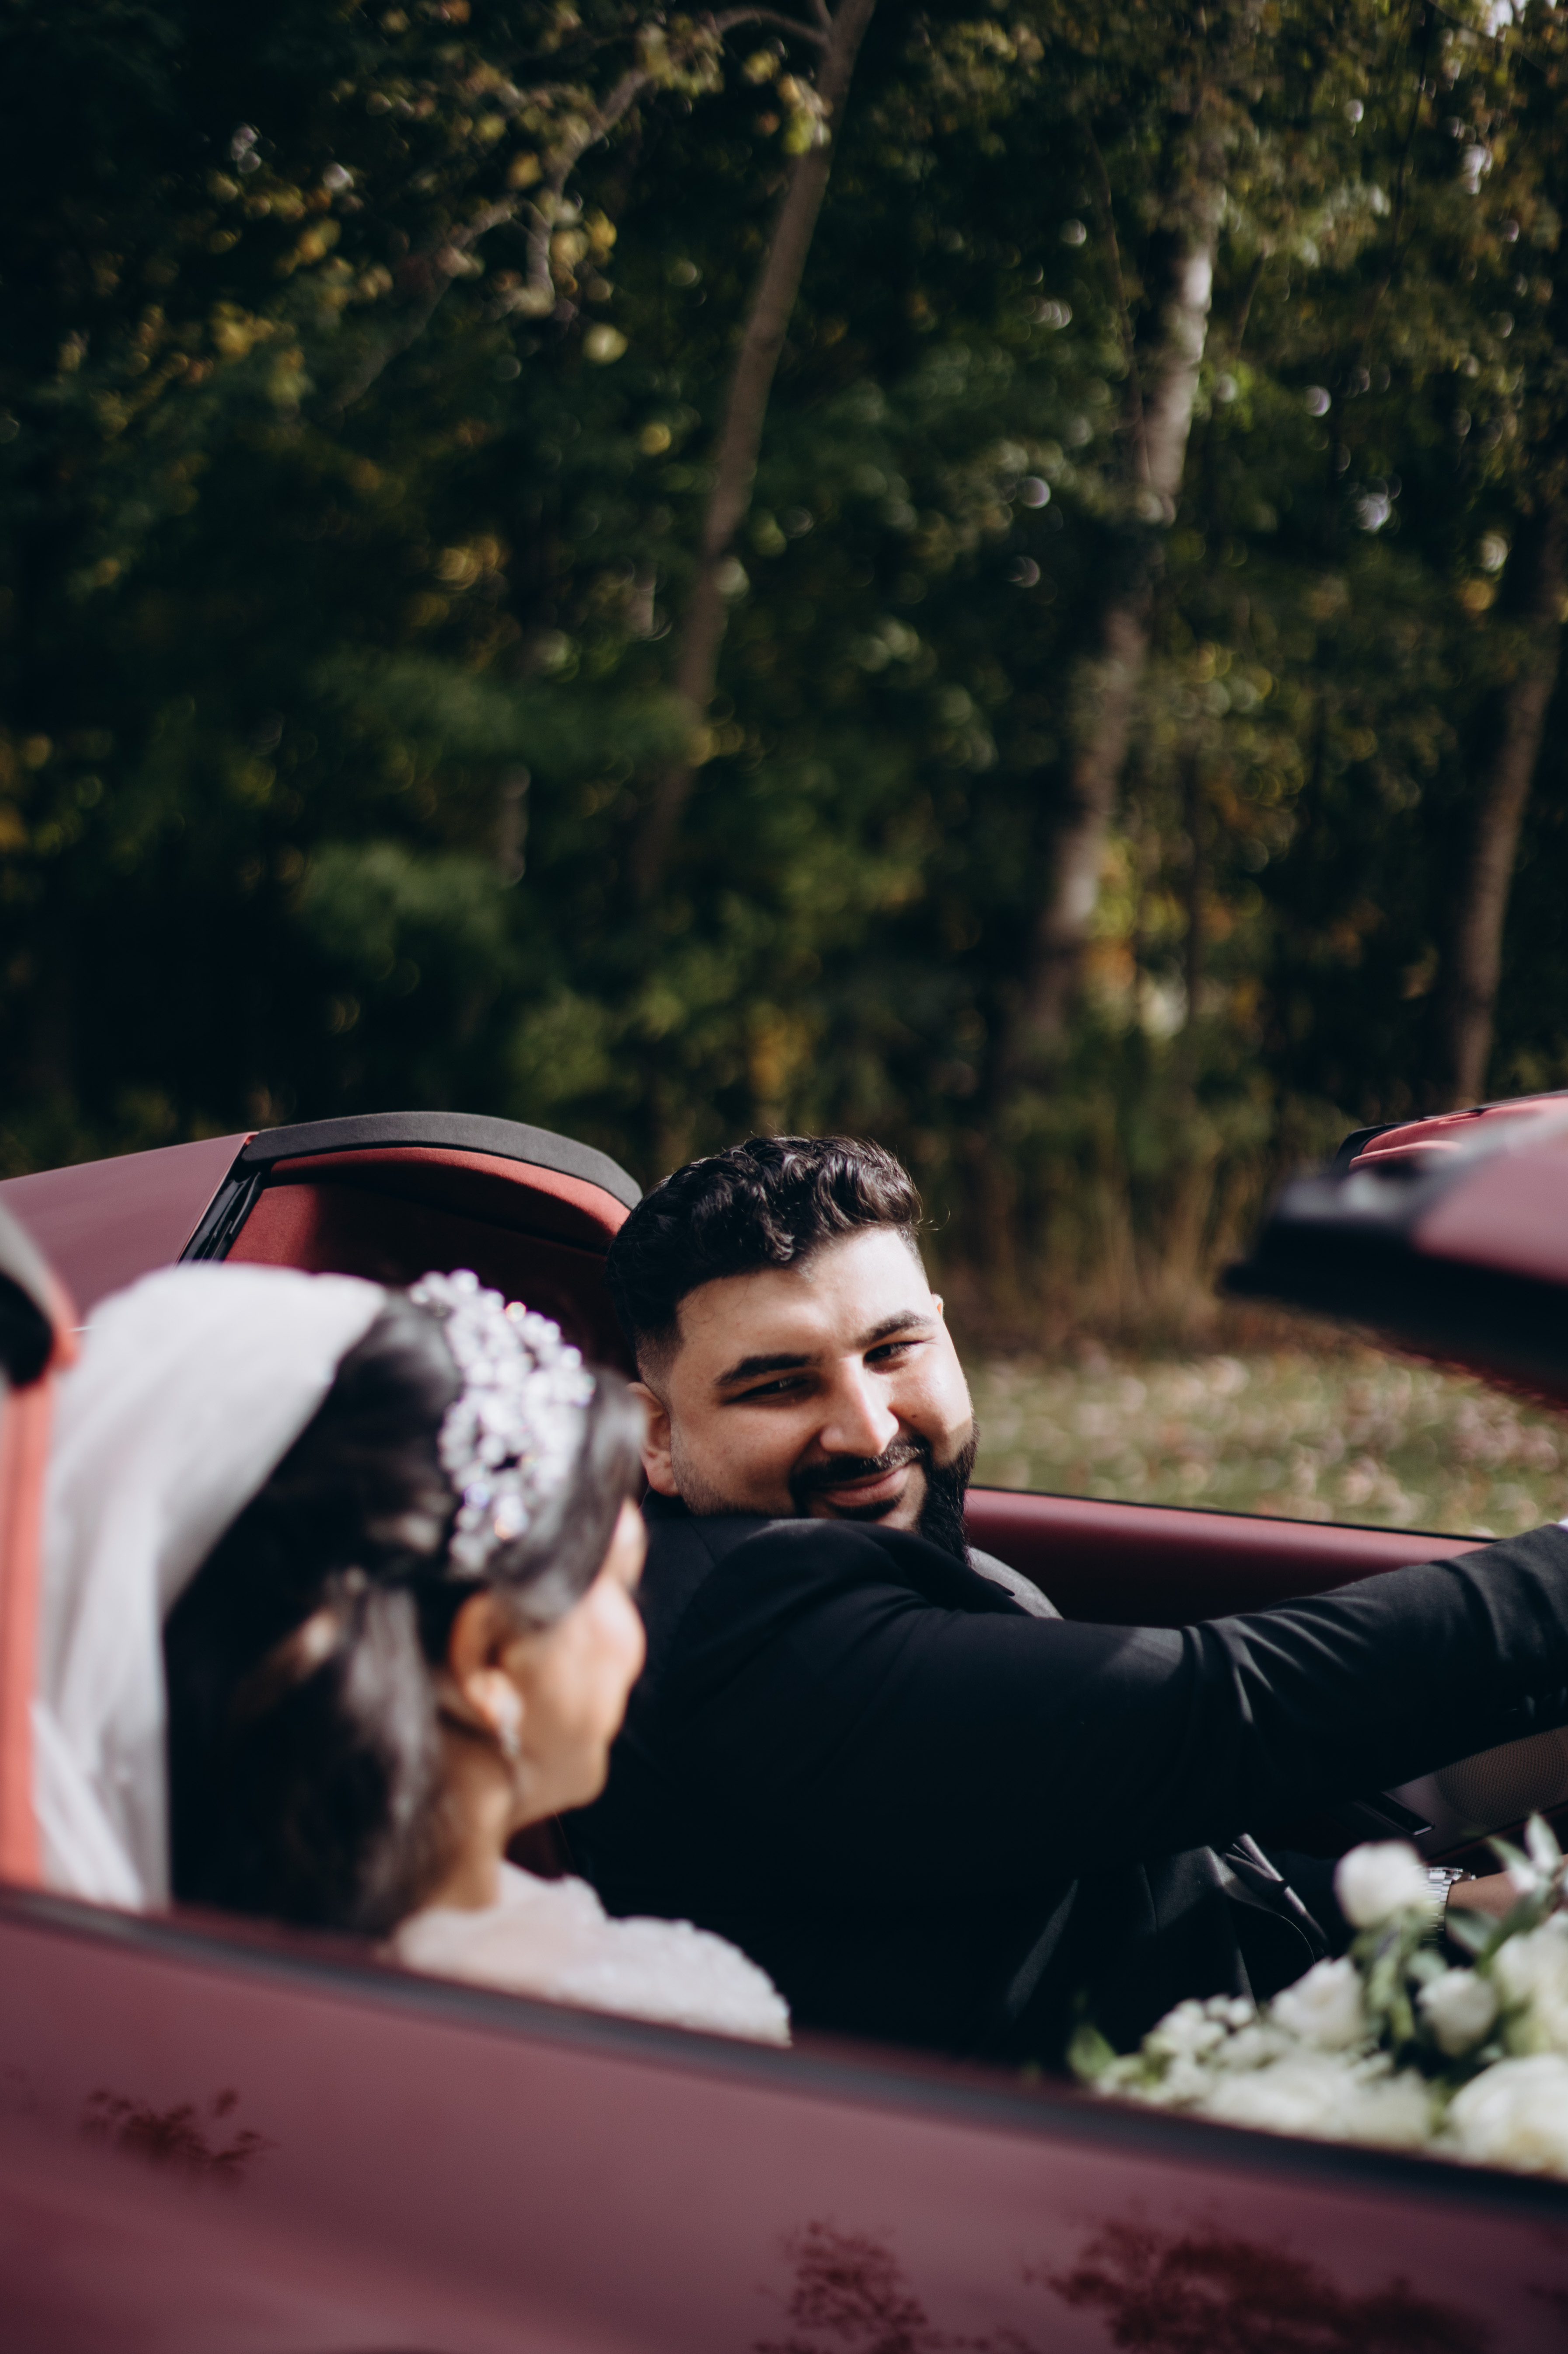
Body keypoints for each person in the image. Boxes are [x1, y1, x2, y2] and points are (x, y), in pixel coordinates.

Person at [567, 1133, 1559, 2064]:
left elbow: (1159, 1864)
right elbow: (1211, 1711)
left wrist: (1466, 1908)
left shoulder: (887, 1575)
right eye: (779, 1386)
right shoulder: (747, 1626)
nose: (866, 1430)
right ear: (655, 1435)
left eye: (893, 1350)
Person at [36, 1261, 787, 2046]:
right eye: (622, 1582)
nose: (639, 1632)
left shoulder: (133, 2005)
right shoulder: (663, 2019)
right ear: (488, 1657)